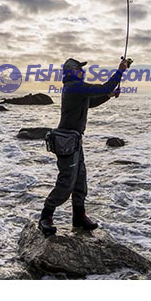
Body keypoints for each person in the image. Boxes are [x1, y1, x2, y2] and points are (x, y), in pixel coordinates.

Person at [39, 56, 131, 236]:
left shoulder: (76, 88)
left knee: (80, 180)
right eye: (80, 69)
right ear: (72, 71)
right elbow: (104, 87)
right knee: (66, 183)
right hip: (67, 141)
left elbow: (91, 102)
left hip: (74, 141)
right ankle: (45, 216)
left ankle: (79, 217)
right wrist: (120, 71)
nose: (83, 71)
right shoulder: (74, 86)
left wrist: (108, 96)